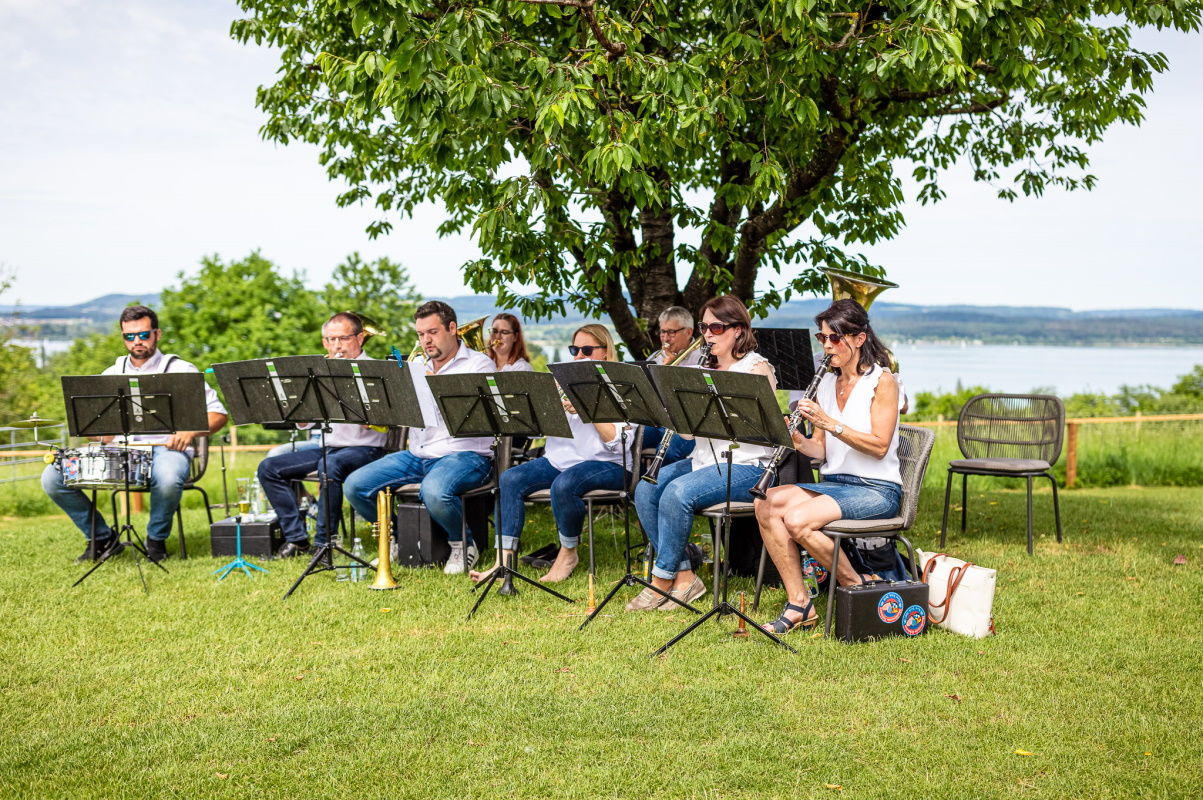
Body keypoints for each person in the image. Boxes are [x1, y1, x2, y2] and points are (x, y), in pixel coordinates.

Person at [753, 299, 902, 634]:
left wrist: (830, 422)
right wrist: (793, 438)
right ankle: (800, 604)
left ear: (859, 339)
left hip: (877, 488)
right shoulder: (824, 383)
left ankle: (858, 585)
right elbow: (819, 451)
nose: (827, 346)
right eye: (822, 339)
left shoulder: (883, 382)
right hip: (835, 483)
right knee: (765, 502)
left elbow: (879, 446)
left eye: (835, 338)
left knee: (796, 519)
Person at [42, 306, 228, 563]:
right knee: (53, 477)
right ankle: (102, 538)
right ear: (123, 337)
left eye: (143, 334)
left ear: (157, 333)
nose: (137, 341)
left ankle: (156, 541)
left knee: (167, 476)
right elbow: (94, 430)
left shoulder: (181, 369)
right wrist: (98, 435)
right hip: (121, 452)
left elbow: (218, 414)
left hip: (167, 449)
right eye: (130, 336)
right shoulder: (111, 374)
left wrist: (188, 431)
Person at [629, 295, 778, 611]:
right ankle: (684, 576)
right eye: (704, 326)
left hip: (747, 465)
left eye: (716, 327)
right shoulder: (701, 366)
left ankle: (660, 581)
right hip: (704, 461)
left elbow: (762, 430)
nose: (708, 334)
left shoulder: (756, 368)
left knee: (677, 493)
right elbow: (686, 433)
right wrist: (669, 400)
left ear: (738, 330)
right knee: (646, 489)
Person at [469, 324, 632, 584]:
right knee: (510, 479)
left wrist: (586, 409)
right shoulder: (564, 380)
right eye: (574, 349)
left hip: (606, 463)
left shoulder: (618, 384)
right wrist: (544, 406)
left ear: (604, 352)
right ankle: (503, 561)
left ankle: (568, 553)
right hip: (559, 460)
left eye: (587, 350)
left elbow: (616, 441)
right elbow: (535, 434)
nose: (578, 355)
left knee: (564, 484)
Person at [343, 301, 495, 574]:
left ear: (452, 328)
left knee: (434, 492)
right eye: (421, 334)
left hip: (465, 454)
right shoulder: (416, 365)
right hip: (418, 454)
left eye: (432, 332)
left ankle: (463, 544)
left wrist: (430, 386)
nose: (426, 340)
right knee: (354, 486)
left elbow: (477, 418)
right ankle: (398, 539)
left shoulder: (478, 364)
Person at [256, 312, 389, 558]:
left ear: (360, 338)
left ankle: (324, 544)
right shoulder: (319, 373)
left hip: (368, 449)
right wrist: (300, 411)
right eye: (329, 340)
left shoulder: (376, 371)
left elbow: (388, 421)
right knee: (269, 468)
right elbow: (307, 422)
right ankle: (297, 540)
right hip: (331, 447)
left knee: (330, 464)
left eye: (343, 339)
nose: (336, 346)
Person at [641, 306, 699, 465]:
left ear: (688, 332)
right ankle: (635, 481)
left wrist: (670, 370)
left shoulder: (701, 358)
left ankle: (660, 485)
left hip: (688, 426)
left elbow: (693, 399)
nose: (665, 338)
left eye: (671, 332)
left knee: (667, 451)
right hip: (659, 421)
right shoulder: (656, 357)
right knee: (629, 440)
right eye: (662, 332)